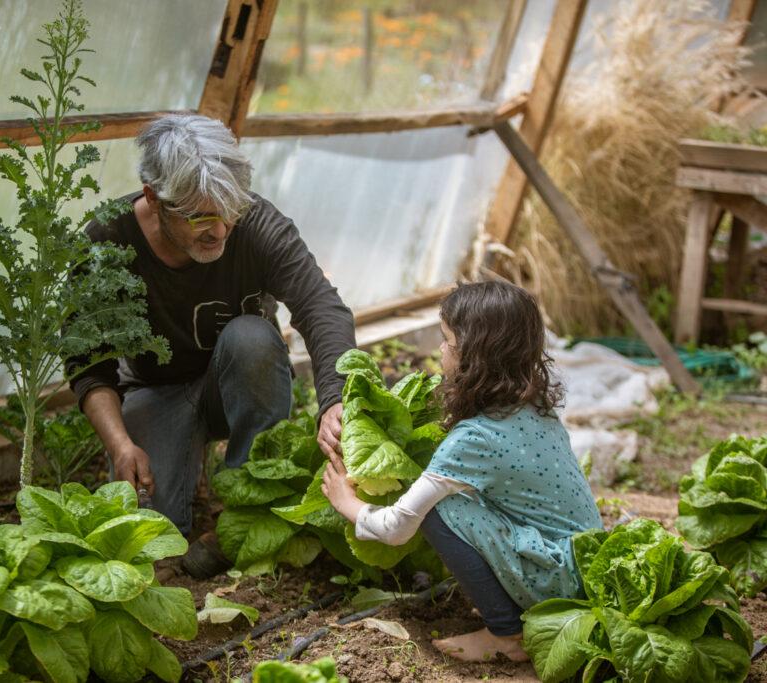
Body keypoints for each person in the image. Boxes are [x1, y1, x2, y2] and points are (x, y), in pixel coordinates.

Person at [65, 113, 355, 577]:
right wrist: (120, 445)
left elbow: (323, 309)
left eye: (230, 211)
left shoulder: (258, 225)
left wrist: (335, 400)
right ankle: (186, 459)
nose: (220, 229)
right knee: (154, 538)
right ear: (152, 197)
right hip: (154, 390)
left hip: (237, 380)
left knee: (253, 337)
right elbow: (88, 363)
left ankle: (246, 499)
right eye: (201, 216)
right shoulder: (108, 240)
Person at [321, 280, 602, 663]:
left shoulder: (474, 439)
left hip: (556, 582)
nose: (439, 349)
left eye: (446, 339)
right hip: (587, 566)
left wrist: (346, 502)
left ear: (473, 355)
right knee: (460, 494)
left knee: (439, 510)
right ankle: (515, 606)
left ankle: (507, 634)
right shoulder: (536, 406)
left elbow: (397, 528)